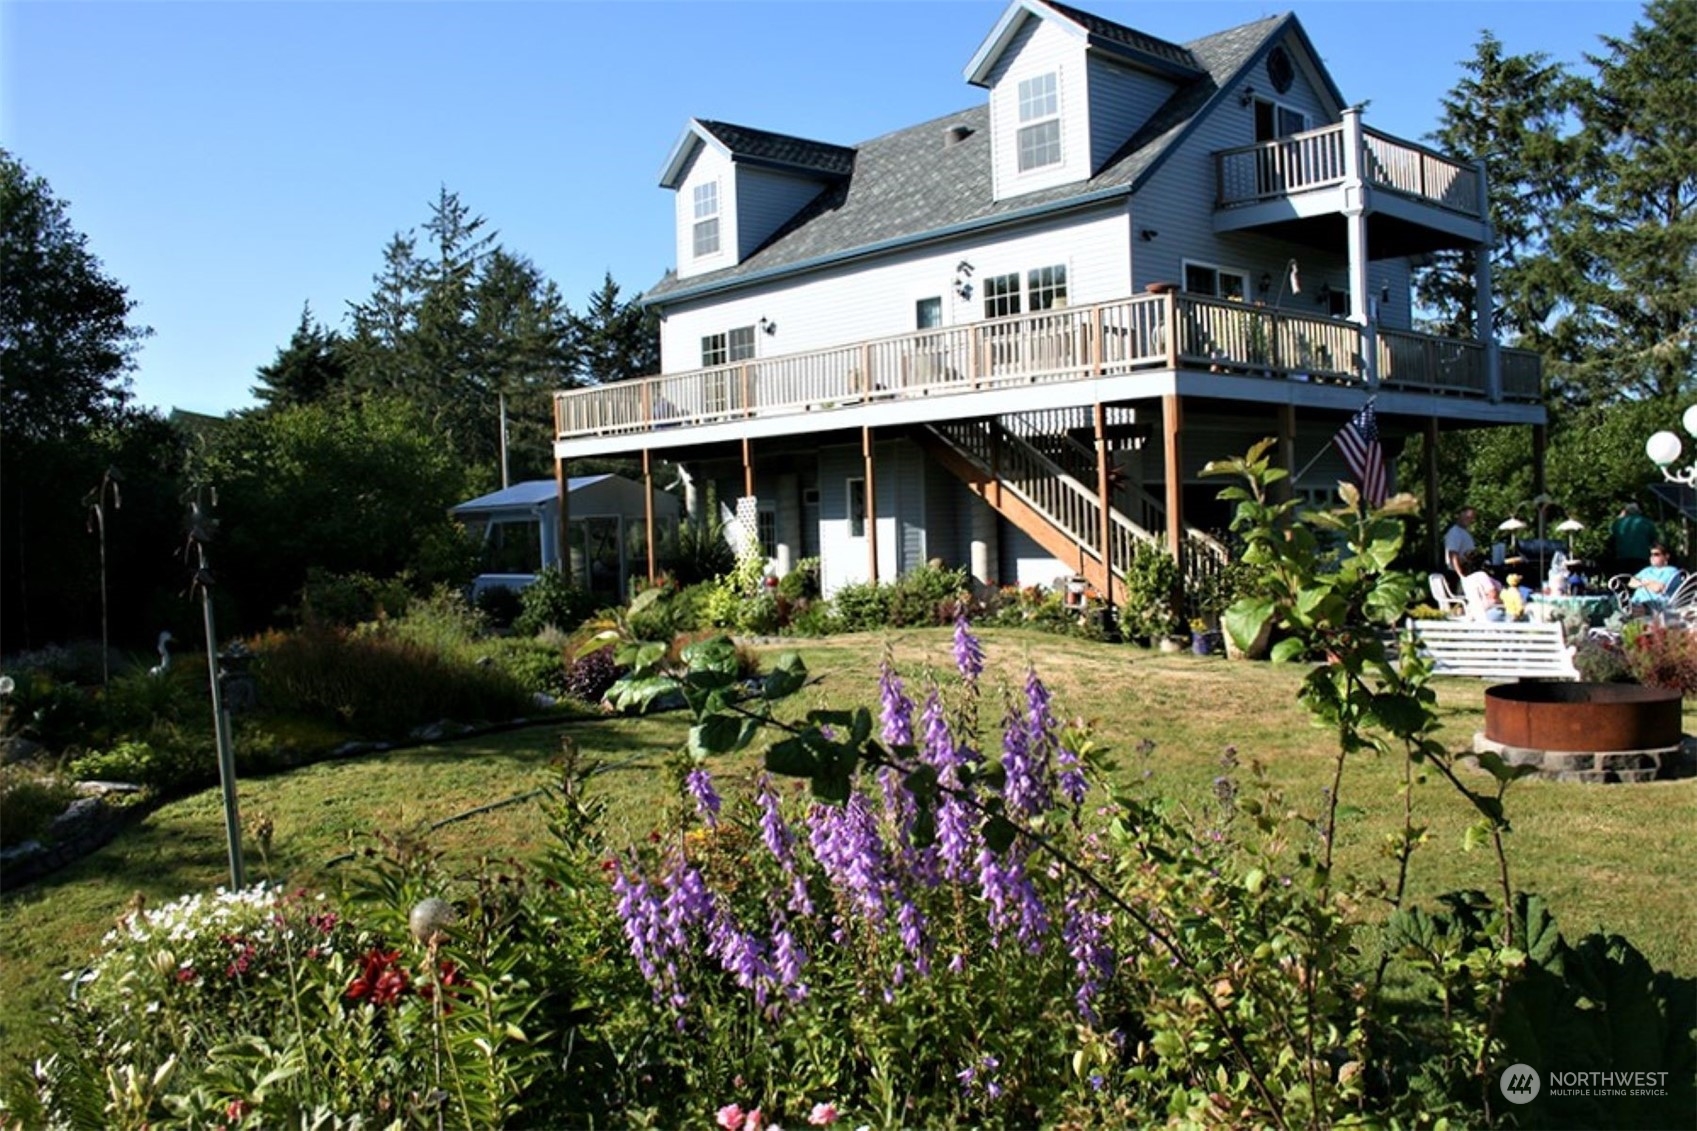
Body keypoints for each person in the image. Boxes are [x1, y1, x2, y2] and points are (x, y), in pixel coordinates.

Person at [1626, 544, 1682, 614]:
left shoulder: (1671, 571)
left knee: (1630, 609)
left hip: (1655, 604)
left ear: (1666, 556)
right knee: (1613, 600)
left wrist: (1641, 582)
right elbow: (1631, 582)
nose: (1652, 557)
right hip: (1636, 601)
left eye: (1656, 554)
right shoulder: (1647, 570)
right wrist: (1649, 583)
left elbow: (1657, 588)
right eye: (1651, 554)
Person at [1609, 502, 1657, 576]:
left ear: (1626, 512)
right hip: (1642, 556)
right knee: (1640, 581)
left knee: (1623, 581)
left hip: (1622, 556)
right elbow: (1653, 539)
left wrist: (1620, 516)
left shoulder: (1618, 522)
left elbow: (1612, 533)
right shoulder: (1647, 522)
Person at [1459, 549, 1506, 621]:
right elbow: (1493, 595)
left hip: (1475, 612)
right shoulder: (1481, 576)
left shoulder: (1465, 579)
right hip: (1490, 611)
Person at [1443, 507, 1478, 580]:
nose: (1470, 520)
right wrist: (1461, 575)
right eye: (1468, 517)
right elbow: (1453, 554)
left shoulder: (1464, 532)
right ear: (1461, 515)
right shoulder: (1455, 532)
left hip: (1467, 570)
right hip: (1456, 573)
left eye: (1472, 518)